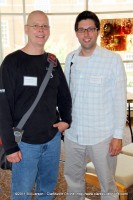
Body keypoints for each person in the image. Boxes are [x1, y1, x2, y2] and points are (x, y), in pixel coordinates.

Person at [0, 10, 72, 200]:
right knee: (22, 193)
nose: (41, 30)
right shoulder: (11, 62)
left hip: (52, 141)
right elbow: (3, 107)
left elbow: (64, 95)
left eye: (45, 26)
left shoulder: (53, 62)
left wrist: (67, 120)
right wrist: (9, 146)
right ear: (26, 29)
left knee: (46, 190)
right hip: (24, 144)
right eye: (36, 25)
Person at [64, 10, 127, 200]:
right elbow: (66, 95)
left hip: (102, 136)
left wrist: (118, 136)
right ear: (76, 32)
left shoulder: (112, 60)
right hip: (74, 135)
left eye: (90, 29)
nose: (86, 34)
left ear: (98, 31)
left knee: (107, 185)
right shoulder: (70, 59)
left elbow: (119, 99)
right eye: (81, 29)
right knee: (73, 182)